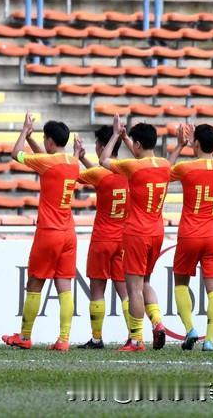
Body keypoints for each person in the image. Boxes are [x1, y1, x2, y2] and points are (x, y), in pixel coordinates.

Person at [2, 114, 79, 351]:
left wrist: (24, 131)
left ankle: (25, 336)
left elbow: (16, 153)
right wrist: (32, 138)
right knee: (64, 286)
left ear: (50, 141)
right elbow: (44, 158)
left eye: (44, 139)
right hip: (68, 232)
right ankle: (64, 339)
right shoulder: (73, 162)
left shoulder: (48, 162)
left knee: (35, 283)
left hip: (49, 231)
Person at [99, 115, 170, 352]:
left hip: (136, 233)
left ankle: (137, 339)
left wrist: (115, 136)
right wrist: (127, 138)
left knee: (134, 288)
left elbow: (103, 160)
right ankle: (157, 322)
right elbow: (142, 156)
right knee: (146, 281)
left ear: (137, 144)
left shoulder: (132, 166)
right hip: (157, 231)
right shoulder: (165, 164)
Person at [168, 123, 213, 352]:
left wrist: (179, 145)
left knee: (180, 282)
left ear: (196, 143)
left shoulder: (186, 168)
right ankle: (210, 340)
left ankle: (190, 329)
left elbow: (162, 173)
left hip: (190, 233)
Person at [73, 127, 131, 349]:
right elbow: (101, 175)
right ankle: (134, 335)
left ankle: (96, 338)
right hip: (122, 239)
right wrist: (84, 158)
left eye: (97, 144)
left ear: (103, 146)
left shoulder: (100, 174)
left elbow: (76, 176)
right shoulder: (129, 170)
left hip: (102, 238)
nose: (96, 148)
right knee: (125, 290)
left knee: (97, 288)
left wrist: (76, 156)